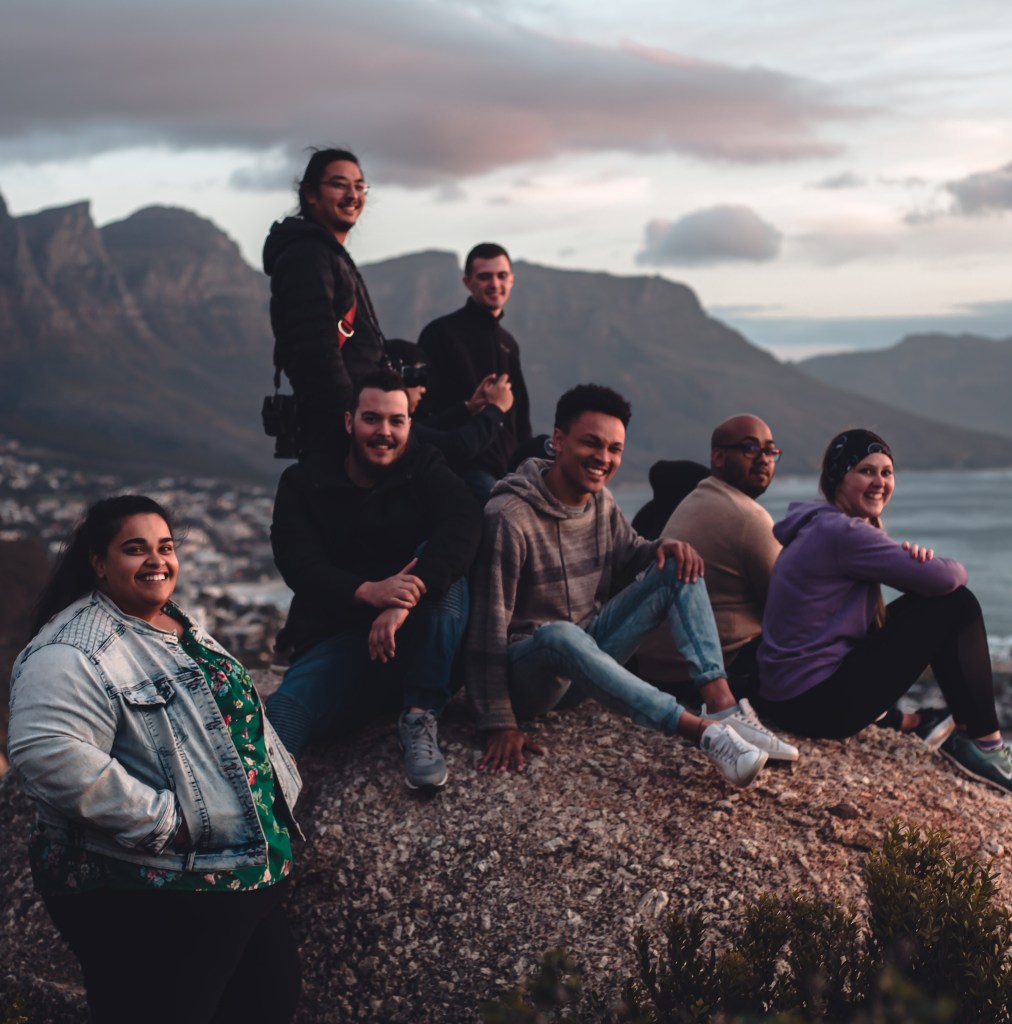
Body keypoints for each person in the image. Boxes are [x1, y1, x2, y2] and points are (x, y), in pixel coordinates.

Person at [7, 496, 302, 1024]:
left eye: (165, 547)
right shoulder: (70, 650)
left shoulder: (171, 622)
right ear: (98, 562)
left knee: (267, 1003)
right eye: (135, 549)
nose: (156, 560)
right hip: (156, 883)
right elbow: (47, 754)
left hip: (238, 873)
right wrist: (169, 822)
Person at [466, 384, 796, 787]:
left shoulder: (599, 501)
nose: (603, 458)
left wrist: (663, 547)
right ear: (559, 440)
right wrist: (499, 722)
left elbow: (630, 552)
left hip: (586, 665)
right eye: (591, 443)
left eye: (614, 449)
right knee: (559, 635)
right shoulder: (509, 517)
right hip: (531, 678)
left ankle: (723, 709)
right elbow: (486, 627)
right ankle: (702, 733)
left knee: (679, 564)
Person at [758, 429, 1012, 792]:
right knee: (957, 604)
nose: (879, 482)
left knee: (938, 601)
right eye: (866, 471)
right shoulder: (842, 534)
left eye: (887, 472)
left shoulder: (819, 524)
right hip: (817, 706)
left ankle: (947, 730)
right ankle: (986, 745)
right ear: (839, 478)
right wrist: (934, 566)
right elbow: (947, 579)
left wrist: (919, 568)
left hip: (787, 698)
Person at [265, 371, 481, 789]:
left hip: (420, 639)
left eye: (396, 421)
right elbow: (299, 563)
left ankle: (419, 715)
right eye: (372, 419)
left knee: (442, 571)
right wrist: (368, 592)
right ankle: (265, 812)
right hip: (342, 641)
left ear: (409, 425)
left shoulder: (425, 467)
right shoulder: (304, 482)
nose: (385, 431)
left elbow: (464, 522)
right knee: (284, 715)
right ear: (350, 422)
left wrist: (401, 600)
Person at [634, 417, 791, 735]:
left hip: (658, 667)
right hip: (699, 674)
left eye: (770, 451)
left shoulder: (700, 496)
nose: (763, 459)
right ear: (718, 457)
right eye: (750, 448)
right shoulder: (747, 516)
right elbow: (789, 610)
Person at [263, 147, 387, 458]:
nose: (352, 195)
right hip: (340, 428)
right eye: (339, 184)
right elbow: (316, 351)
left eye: (359, 186)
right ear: (310, 194)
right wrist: (349, 419)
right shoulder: (307, 256)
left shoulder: (328, 254)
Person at [418, 242, 532, 500]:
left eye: (502, 275)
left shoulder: (508, 343)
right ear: (467, 282)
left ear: (512, 280)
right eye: (485, 277)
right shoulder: (440, 334)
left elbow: (520, 416)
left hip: (509, 472)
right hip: (465, 469)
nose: (495, 284)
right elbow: (423, 412)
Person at [384, 338, 515, 475]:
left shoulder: (408, 427)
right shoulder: (400, 429)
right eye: (417, 377)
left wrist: (469, 408)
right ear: (397, 377)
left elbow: (428, 428)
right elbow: (455, 447)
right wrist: (496, 408)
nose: (423, 389)